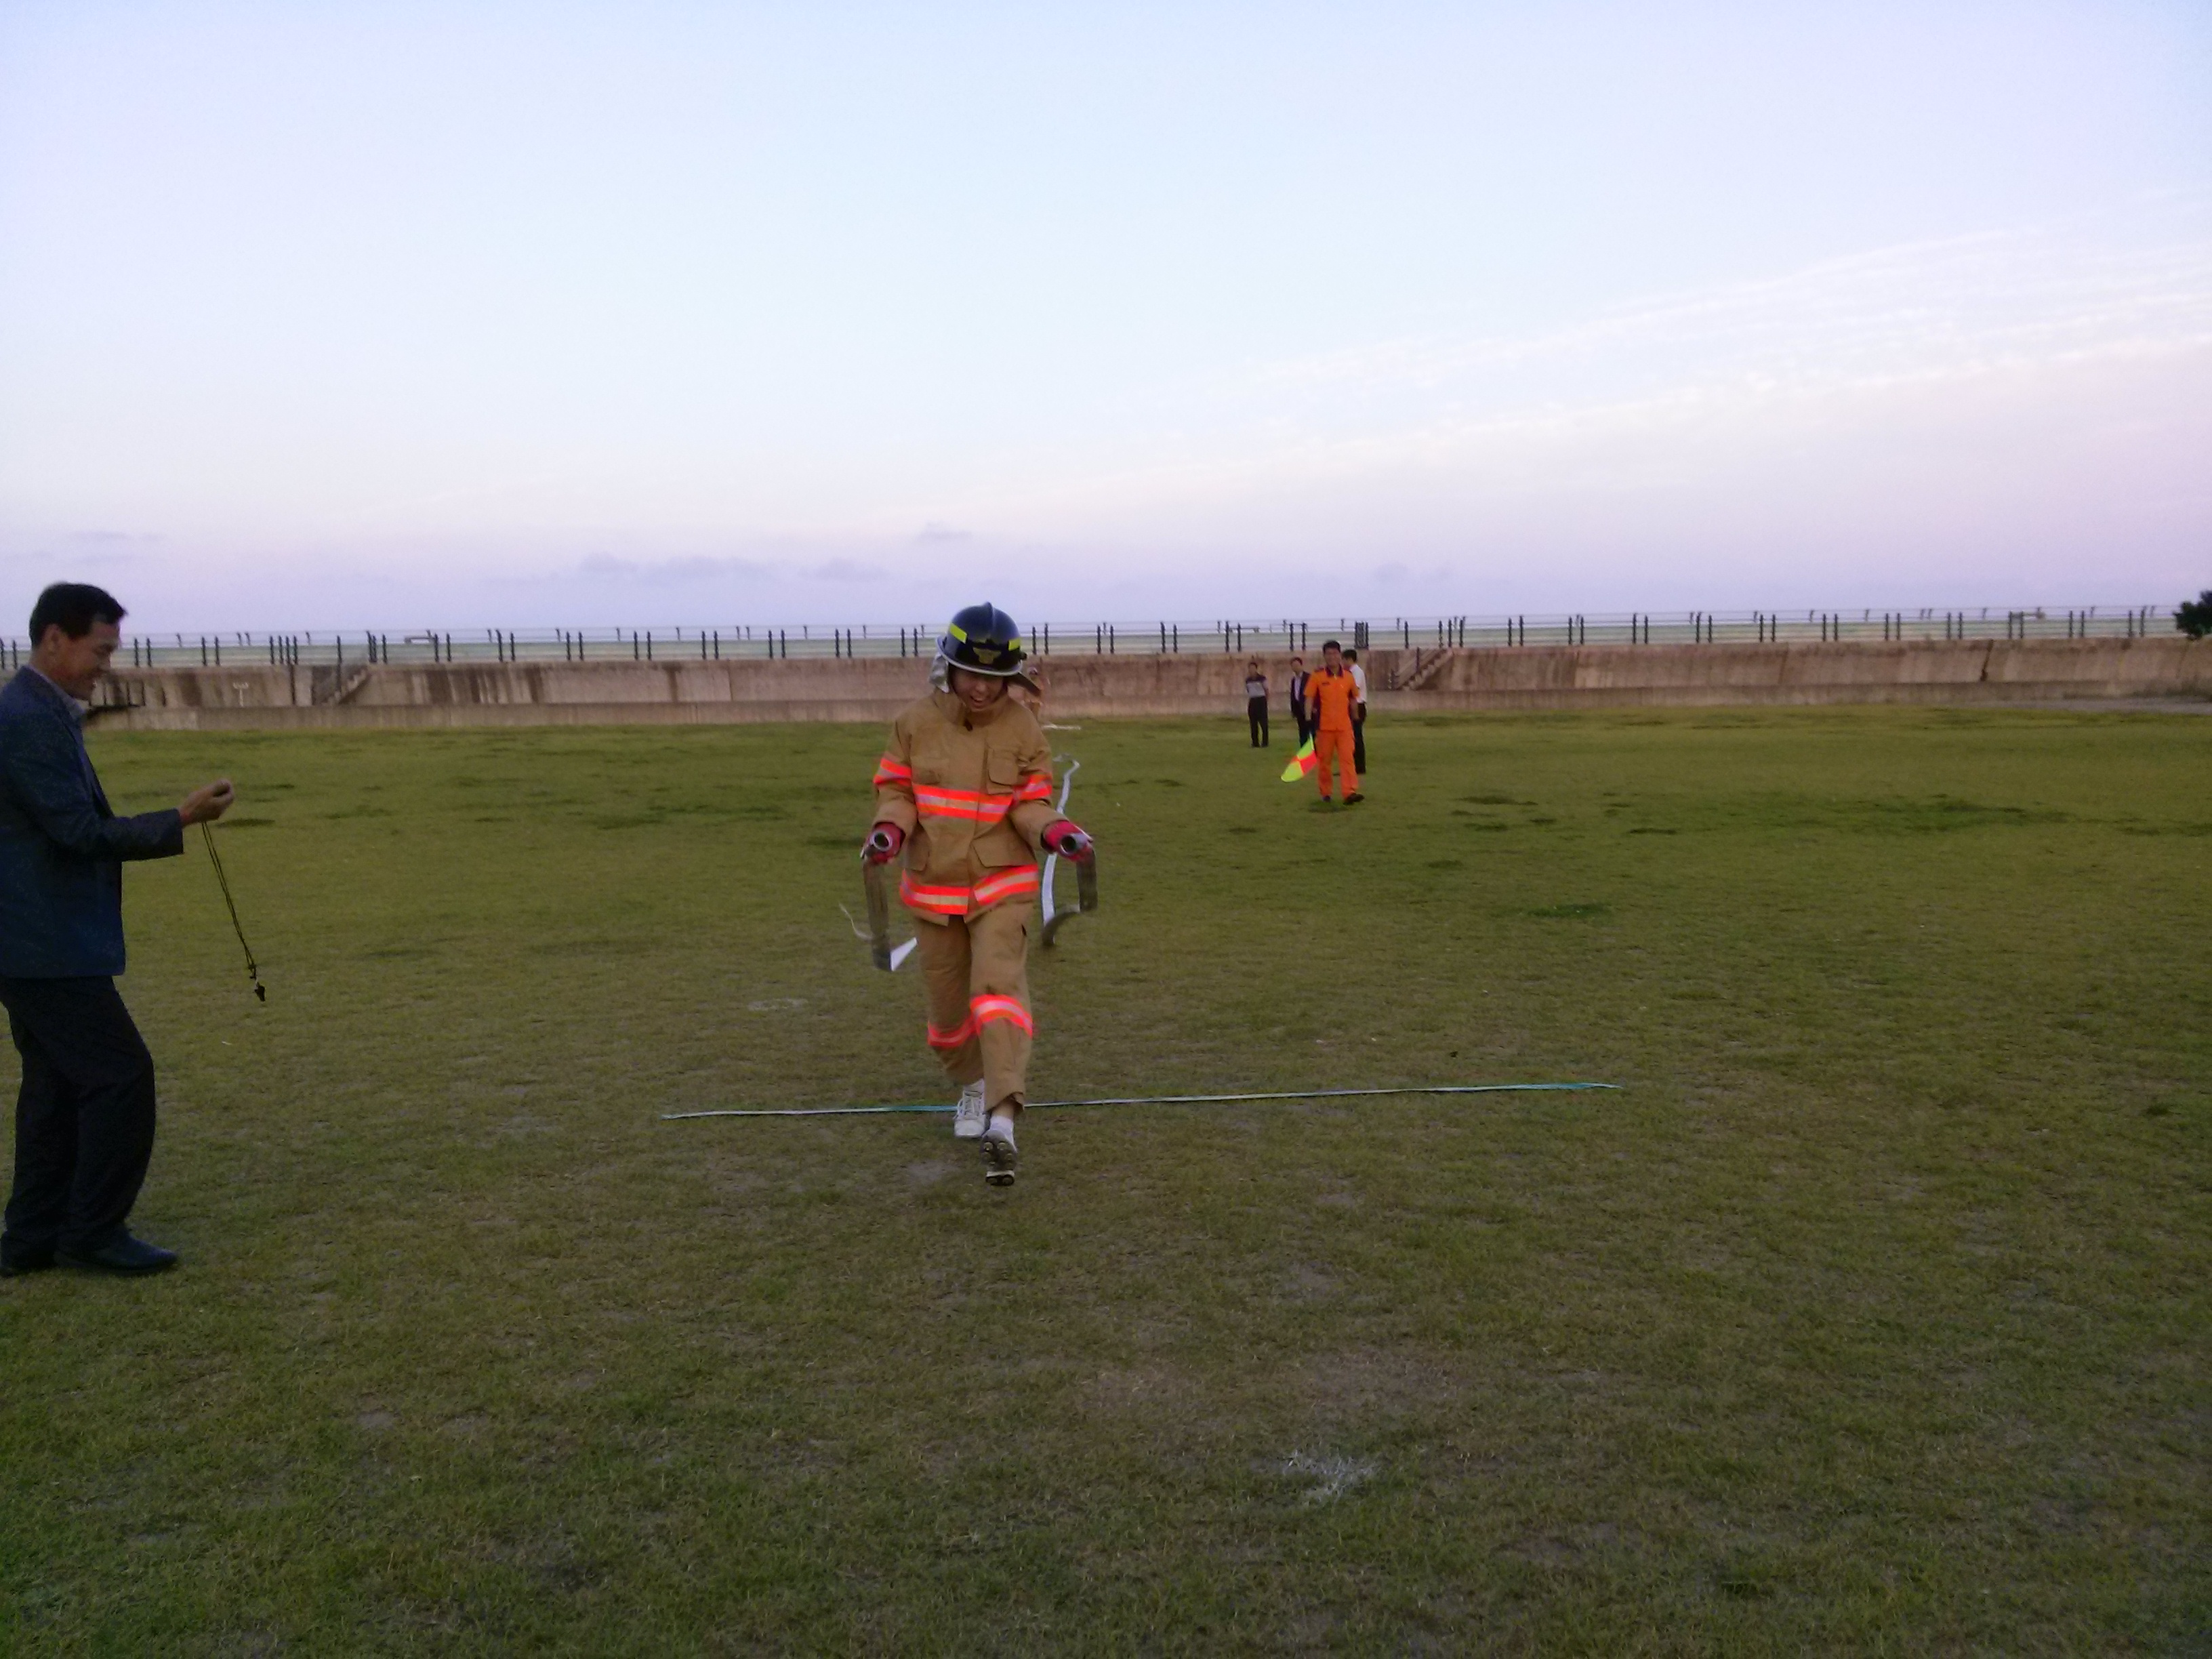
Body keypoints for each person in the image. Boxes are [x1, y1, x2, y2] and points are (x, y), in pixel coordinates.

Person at [0, 583, 235, 1279]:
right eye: (100, 651)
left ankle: (31, 1237)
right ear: (54, 640)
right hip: (40, 940)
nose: (107, 665)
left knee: (56, 1084)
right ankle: (93, 1231)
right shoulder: (28, 718)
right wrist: (180, 819)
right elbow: (77, 833)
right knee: (119, 1076)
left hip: (30, 938)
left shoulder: (37, 710)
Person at [863, 604, 1092, 1187]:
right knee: (947, 1019)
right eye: (971, 674)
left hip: (1002, 884)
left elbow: (1031, 802)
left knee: (997, 991)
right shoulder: (913, 724)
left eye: (993, 678)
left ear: (1009, 678)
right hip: (933, 889)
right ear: (949, 667)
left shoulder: (1024, 729)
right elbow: (896, 792)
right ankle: (971, 1085)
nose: (981, 688)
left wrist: (1055, 830)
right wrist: (889, 831)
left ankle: (1004, 1116)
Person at [1302, 640, 1364, 806]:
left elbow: (1353, 699)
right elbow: (1309, 698)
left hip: (1344, 727)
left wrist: (1356, 719)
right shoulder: (1317, 676)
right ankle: (1326, 792)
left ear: (1340, 655)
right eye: (1328, 654)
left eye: (1335, 653)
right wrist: (1308, 720)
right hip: (1324, 727)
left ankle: (1349, 792)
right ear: (1324, 656)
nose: (1332, 657)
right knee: (1324, 762)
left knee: (1347, 759)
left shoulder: (1348, 676)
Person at [1344, 647, 1369, 773]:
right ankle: (1351, 766)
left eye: (1344, 660)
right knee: (1350, 737)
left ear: (1349, 659)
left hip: (1357, 706)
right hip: (1352, 705)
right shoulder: (1350, 672)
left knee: (1357, 737)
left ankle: (1359, 767)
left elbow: (1354, 690)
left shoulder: (1357, 672)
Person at [1243, 658, 1270, 747]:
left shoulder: (1262, 678)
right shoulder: (1248, 680)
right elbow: (1248, 690)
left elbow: (1266, 690)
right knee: (1253, 723)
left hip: (1261, 700)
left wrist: (1266, 702)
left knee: (1263, 723)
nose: (1251, 670)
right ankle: (1255, 742)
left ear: (1256, 669)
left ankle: (1265, 742)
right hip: (1253, 700)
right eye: (1250, 668)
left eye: (1253, 668)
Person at [1286, 655, 1311, 746]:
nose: (1295, 667)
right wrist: (1294, 710)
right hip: (1299, 709)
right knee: (1302, 733)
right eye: (1293, 666)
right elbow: (1293, 695)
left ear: (1301, 665)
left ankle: (1314, 750)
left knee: (1311, 732)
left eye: (1297, 665)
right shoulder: (1294, 680)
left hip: (1308, 709)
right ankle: (1304, 750)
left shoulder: (1309, 678)